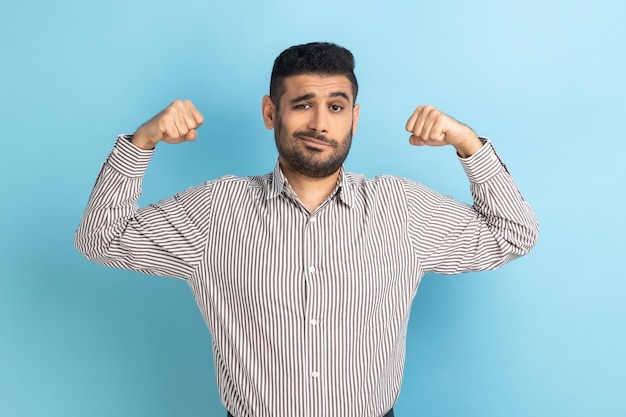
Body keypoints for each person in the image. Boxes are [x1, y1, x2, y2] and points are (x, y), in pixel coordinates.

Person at [75, 42, 538, 417]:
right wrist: (142, 143)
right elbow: (100, 237)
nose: (320, 123)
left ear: (354, 118)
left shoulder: (402, 209)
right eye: (303, 105)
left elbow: (514, 232)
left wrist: (468, 145)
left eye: (336, 106)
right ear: (270, 112)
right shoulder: (215, 210)